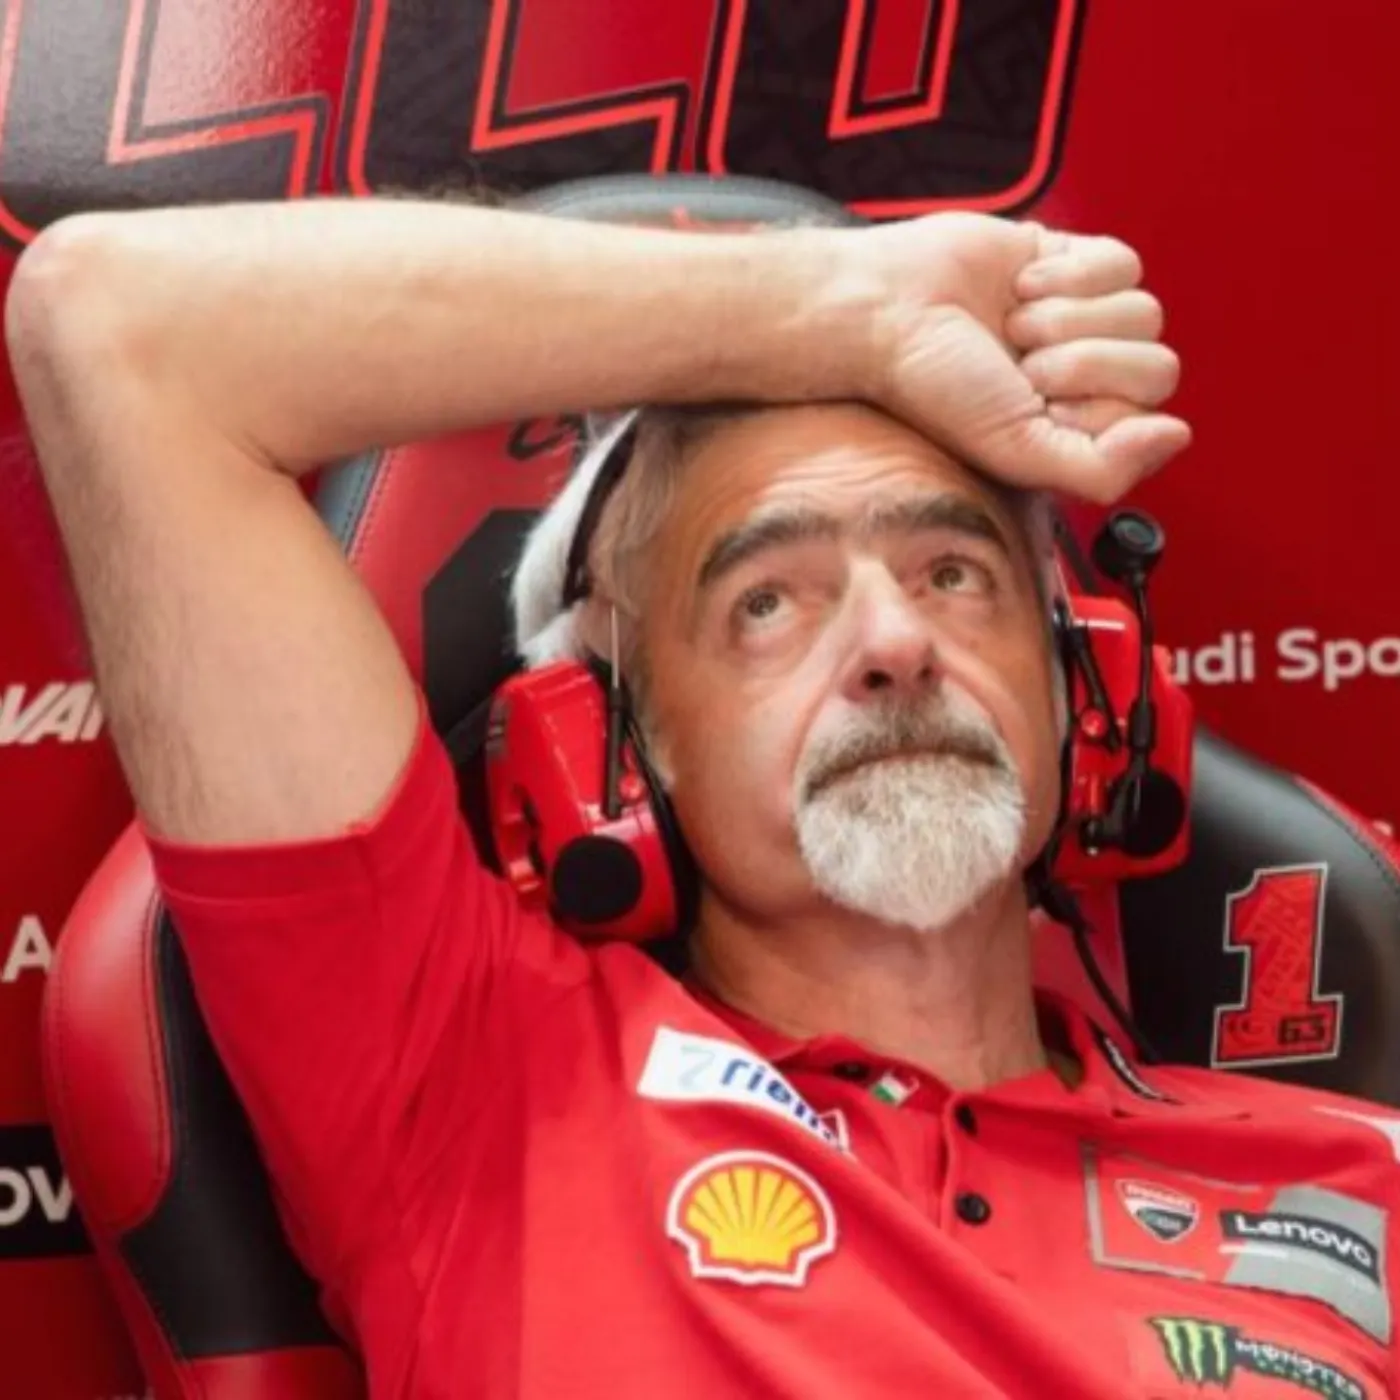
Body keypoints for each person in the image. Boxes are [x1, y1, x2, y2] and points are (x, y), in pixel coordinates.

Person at [7, 196, 1396, 1399]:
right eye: (767, 601)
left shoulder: (1359, 1178)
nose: (895, 642)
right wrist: (853, 312)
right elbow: (118, 325)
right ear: (615, 754)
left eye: (953, 574)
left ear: (1087, 692)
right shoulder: (477, 1093)